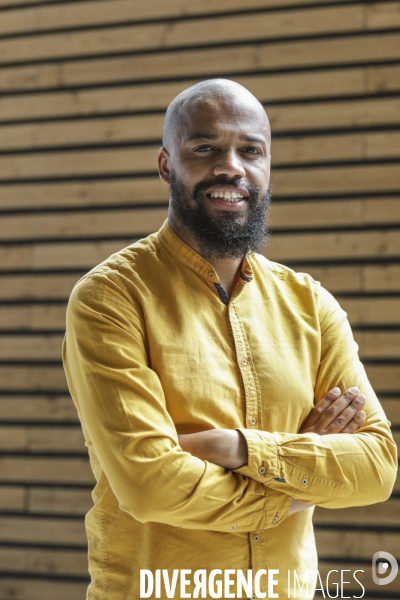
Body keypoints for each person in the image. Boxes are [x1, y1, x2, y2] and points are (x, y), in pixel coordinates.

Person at [62, 79, 397, 600]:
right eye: (205, 148)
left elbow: (376, 467)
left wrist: (236, 448)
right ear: (166, 165)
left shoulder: (310, 304)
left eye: (250, 151)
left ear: (267, 168)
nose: (231, 168)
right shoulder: (111, 298)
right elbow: (150, 487)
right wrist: (298, 487)